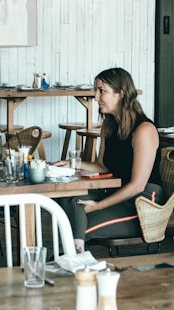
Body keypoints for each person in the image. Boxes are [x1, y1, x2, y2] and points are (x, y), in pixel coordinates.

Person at [68, 67, 163, 244]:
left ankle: (73, 259)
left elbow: (137, 185)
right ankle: (72, 258)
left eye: (101, 91)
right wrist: (71, 164)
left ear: (120, 94)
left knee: (78, 226)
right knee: (70, 202)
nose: (95, 97)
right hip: (118, 193)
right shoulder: (109, 126)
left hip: (143, 204)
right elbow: (102, 166)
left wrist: (98, 205)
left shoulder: (144, 130)